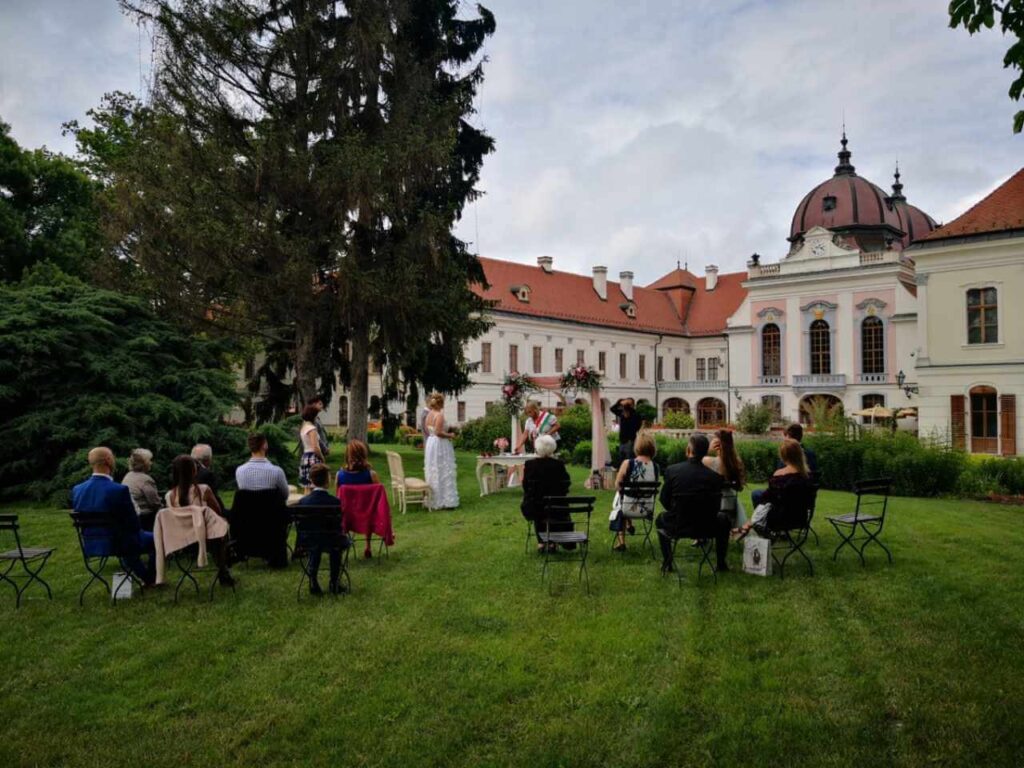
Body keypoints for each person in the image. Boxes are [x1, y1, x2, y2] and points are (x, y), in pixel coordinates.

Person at [71, 447, 156, 585]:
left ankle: (146, 578)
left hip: (90, 543)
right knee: (156, 539)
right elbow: (133, 525)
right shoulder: (118, 490)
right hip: (119, 543)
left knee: (128, 538)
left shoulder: (77, 489)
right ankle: (150, 577)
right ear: (109, 460)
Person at [655, 434, 728, 573]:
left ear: (688, 450)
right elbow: (717, 506)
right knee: (723, 519)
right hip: (708, 526)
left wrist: (678, 512)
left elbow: (664, 500)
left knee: (660, 519)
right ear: (706, 452)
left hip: (679, 525)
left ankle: (667, 562)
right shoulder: (715, 477)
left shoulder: (672, 471)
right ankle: (721, 563)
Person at [162, 454, 234, 587]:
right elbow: (216, 510)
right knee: (221, 527)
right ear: (194, 471)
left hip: (182, 540)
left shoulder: (169, 496)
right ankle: (223, 570)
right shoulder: (203, 490)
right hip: (207, 539)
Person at [736, 439, 814, 538]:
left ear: (783, 456)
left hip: (779, 519)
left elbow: (767, 498)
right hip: (801, 518)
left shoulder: (780, 475)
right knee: (758, 494)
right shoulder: (807, 476)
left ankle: (759, 526)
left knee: (758, 495)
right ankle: (752, 524)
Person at [297, 463, 351, 596]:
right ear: (327, 480)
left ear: (311, 480)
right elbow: (337, 525)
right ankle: (334, 582)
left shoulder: (304, 501)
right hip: (331, 540)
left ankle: (313, 580)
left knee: (316, 545)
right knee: (336, 545)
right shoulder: (334, 502)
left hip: (309, 541)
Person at [521, 434, 573, 552]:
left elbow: (525, 485)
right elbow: (566, 483)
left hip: (535, 504)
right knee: (551, 508)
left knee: (538, 507)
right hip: (556, 503)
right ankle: (551, 542)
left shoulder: (530, 464)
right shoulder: (558, 464)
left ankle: (542, 542)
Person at [609, 432, 659, 551]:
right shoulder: (655, 467)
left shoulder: (628, 463)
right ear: (653, 447)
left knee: (620, 498)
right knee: (628, 496)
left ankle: (622, 541)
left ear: (637, 447)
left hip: (627, 509)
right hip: (646, 509)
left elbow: (617, 485)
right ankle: (629, 525)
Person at [751, 423, 818, 506]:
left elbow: (778, 480)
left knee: (757, 494)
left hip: (785, 497)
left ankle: (761, 518)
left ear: (788, 436)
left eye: (785, 436)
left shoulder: (787, 455)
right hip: (804, 499)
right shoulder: (810, 454)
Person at [703, 430, 747, 529]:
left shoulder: (707, 461)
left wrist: (708, 450)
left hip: (712, 503)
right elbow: (740, 488)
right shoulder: (737, 461)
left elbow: (693, 463)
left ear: (716, 445)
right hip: (730, 503)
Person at [424, 392, 459, 509]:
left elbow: (429, 430)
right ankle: (445, 500)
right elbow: (439, 433)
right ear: (441, 403)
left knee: (434, 469)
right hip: (439, 445)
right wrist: (450, 435)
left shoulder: (428, 414)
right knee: (443, 469)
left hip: (431, 443)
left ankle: (435, 498)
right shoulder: (439, 415)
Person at [236, 433, 289, 500]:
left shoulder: (239, 471)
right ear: (265, 445)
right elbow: (285, 496)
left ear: (249, 446)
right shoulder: (277, 472)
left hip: (248, 510)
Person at [122, 448, 162, 532]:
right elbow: (155, 503)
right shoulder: (146, 480)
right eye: (150, 460)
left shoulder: (128, 476)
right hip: (145, 518)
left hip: (130, 516)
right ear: (145, 463)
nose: (151, 463)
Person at [191, 443, 226, 513]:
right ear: (208, 459)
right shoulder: (207, 474)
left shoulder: (185, 471)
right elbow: (214, 499)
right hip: (204, 511)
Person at [298, 404, 325, 491]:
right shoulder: (311, 429)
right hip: (313, 458)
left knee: (307, 485)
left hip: (305, 457)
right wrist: (322, 458)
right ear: (313, 415)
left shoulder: (304, 427)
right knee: (315, 485)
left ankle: (306, 504)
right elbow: (315, 447)